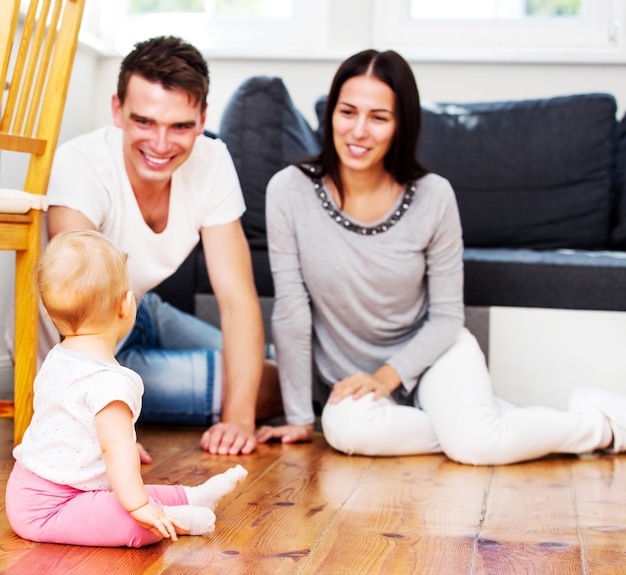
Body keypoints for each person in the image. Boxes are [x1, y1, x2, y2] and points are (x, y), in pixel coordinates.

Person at [257, 48, 626, 465]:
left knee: (476, 446)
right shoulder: (289, 190)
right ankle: (478, 424)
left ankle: (602, 423)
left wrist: (386, 377)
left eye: (378, 117)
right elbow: (290, 309)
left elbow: (448, 316)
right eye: (347, 112)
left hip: (435, 354)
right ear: (330, 116)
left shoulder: (434, 196)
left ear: (401, 125)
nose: (358, 130)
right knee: (347, 430)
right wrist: (300, 417)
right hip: (350, 383)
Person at [40, 35, 281, 456]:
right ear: (117, 110)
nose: (161, 144)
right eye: (144, 121)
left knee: (278, 375)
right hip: (84, 344)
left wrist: (238, 421)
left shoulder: (213, 160)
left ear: (203, 118)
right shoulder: (80, 165)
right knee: (266, 386)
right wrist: (102, 429)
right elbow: (75, 310)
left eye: (181, 126)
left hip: (141, 310)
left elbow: (238, 299)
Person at [6, 230, 248, 547]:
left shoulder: (57, 358)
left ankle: (194, 496)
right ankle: (181, 521)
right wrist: (140, 509)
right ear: (125, 305)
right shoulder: (113, 383)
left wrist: (139, 499)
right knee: (136, 521)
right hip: (53, 509)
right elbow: (117, 450)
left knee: (133, 494)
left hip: (26, 493)